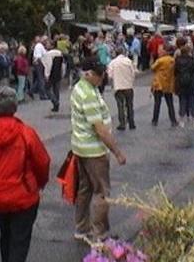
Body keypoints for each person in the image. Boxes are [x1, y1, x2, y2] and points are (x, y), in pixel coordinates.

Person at [0, 87, 51, 262]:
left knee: (5, 235)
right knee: (20, 240)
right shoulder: (26, 133)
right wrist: (40, 183)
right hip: (24, 194)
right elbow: (43, 162)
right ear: (15, 107)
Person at [70, 58, 126, 241]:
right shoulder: (88, 95)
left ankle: (81, 228)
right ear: (89, 74)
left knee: (85, 189)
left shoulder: (81, 87)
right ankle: (100, 233)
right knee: (102, 191)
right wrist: (117, 151)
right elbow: (99, 129)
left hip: (80, 147)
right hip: (94, 150)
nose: (102, 79)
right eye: (99, 76)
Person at [107, 45, 136, 131]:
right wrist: (131, 81)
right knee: (129, 105)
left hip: (118, 87)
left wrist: (113, 83)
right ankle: (131, 123)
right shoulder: (128, 61)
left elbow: (110, 75)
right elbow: (133, 73)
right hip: (128, 86)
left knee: (120, 106)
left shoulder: (113, 62)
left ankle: (122, 123)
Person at [150, 45, 178, 127]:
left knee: (157, 104)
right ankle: (173, 120)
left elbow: (152, 68)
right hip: (168, 84)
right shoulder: (172, 60)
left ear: (165, 51)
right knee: (170, 103)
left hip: (159, 84)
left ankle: (155, 120)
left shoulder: (160, 60)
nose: (159, 52)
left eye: (160, 50)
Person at [174, 43, 194, 128]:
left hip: (181, 84)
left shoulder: (177, 61)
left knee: (182, 101)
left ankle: (181, 120)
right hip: (191, 83)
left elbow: (175, 73)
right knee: (192, 102)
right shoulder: (192, 61)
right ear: (189, 52)